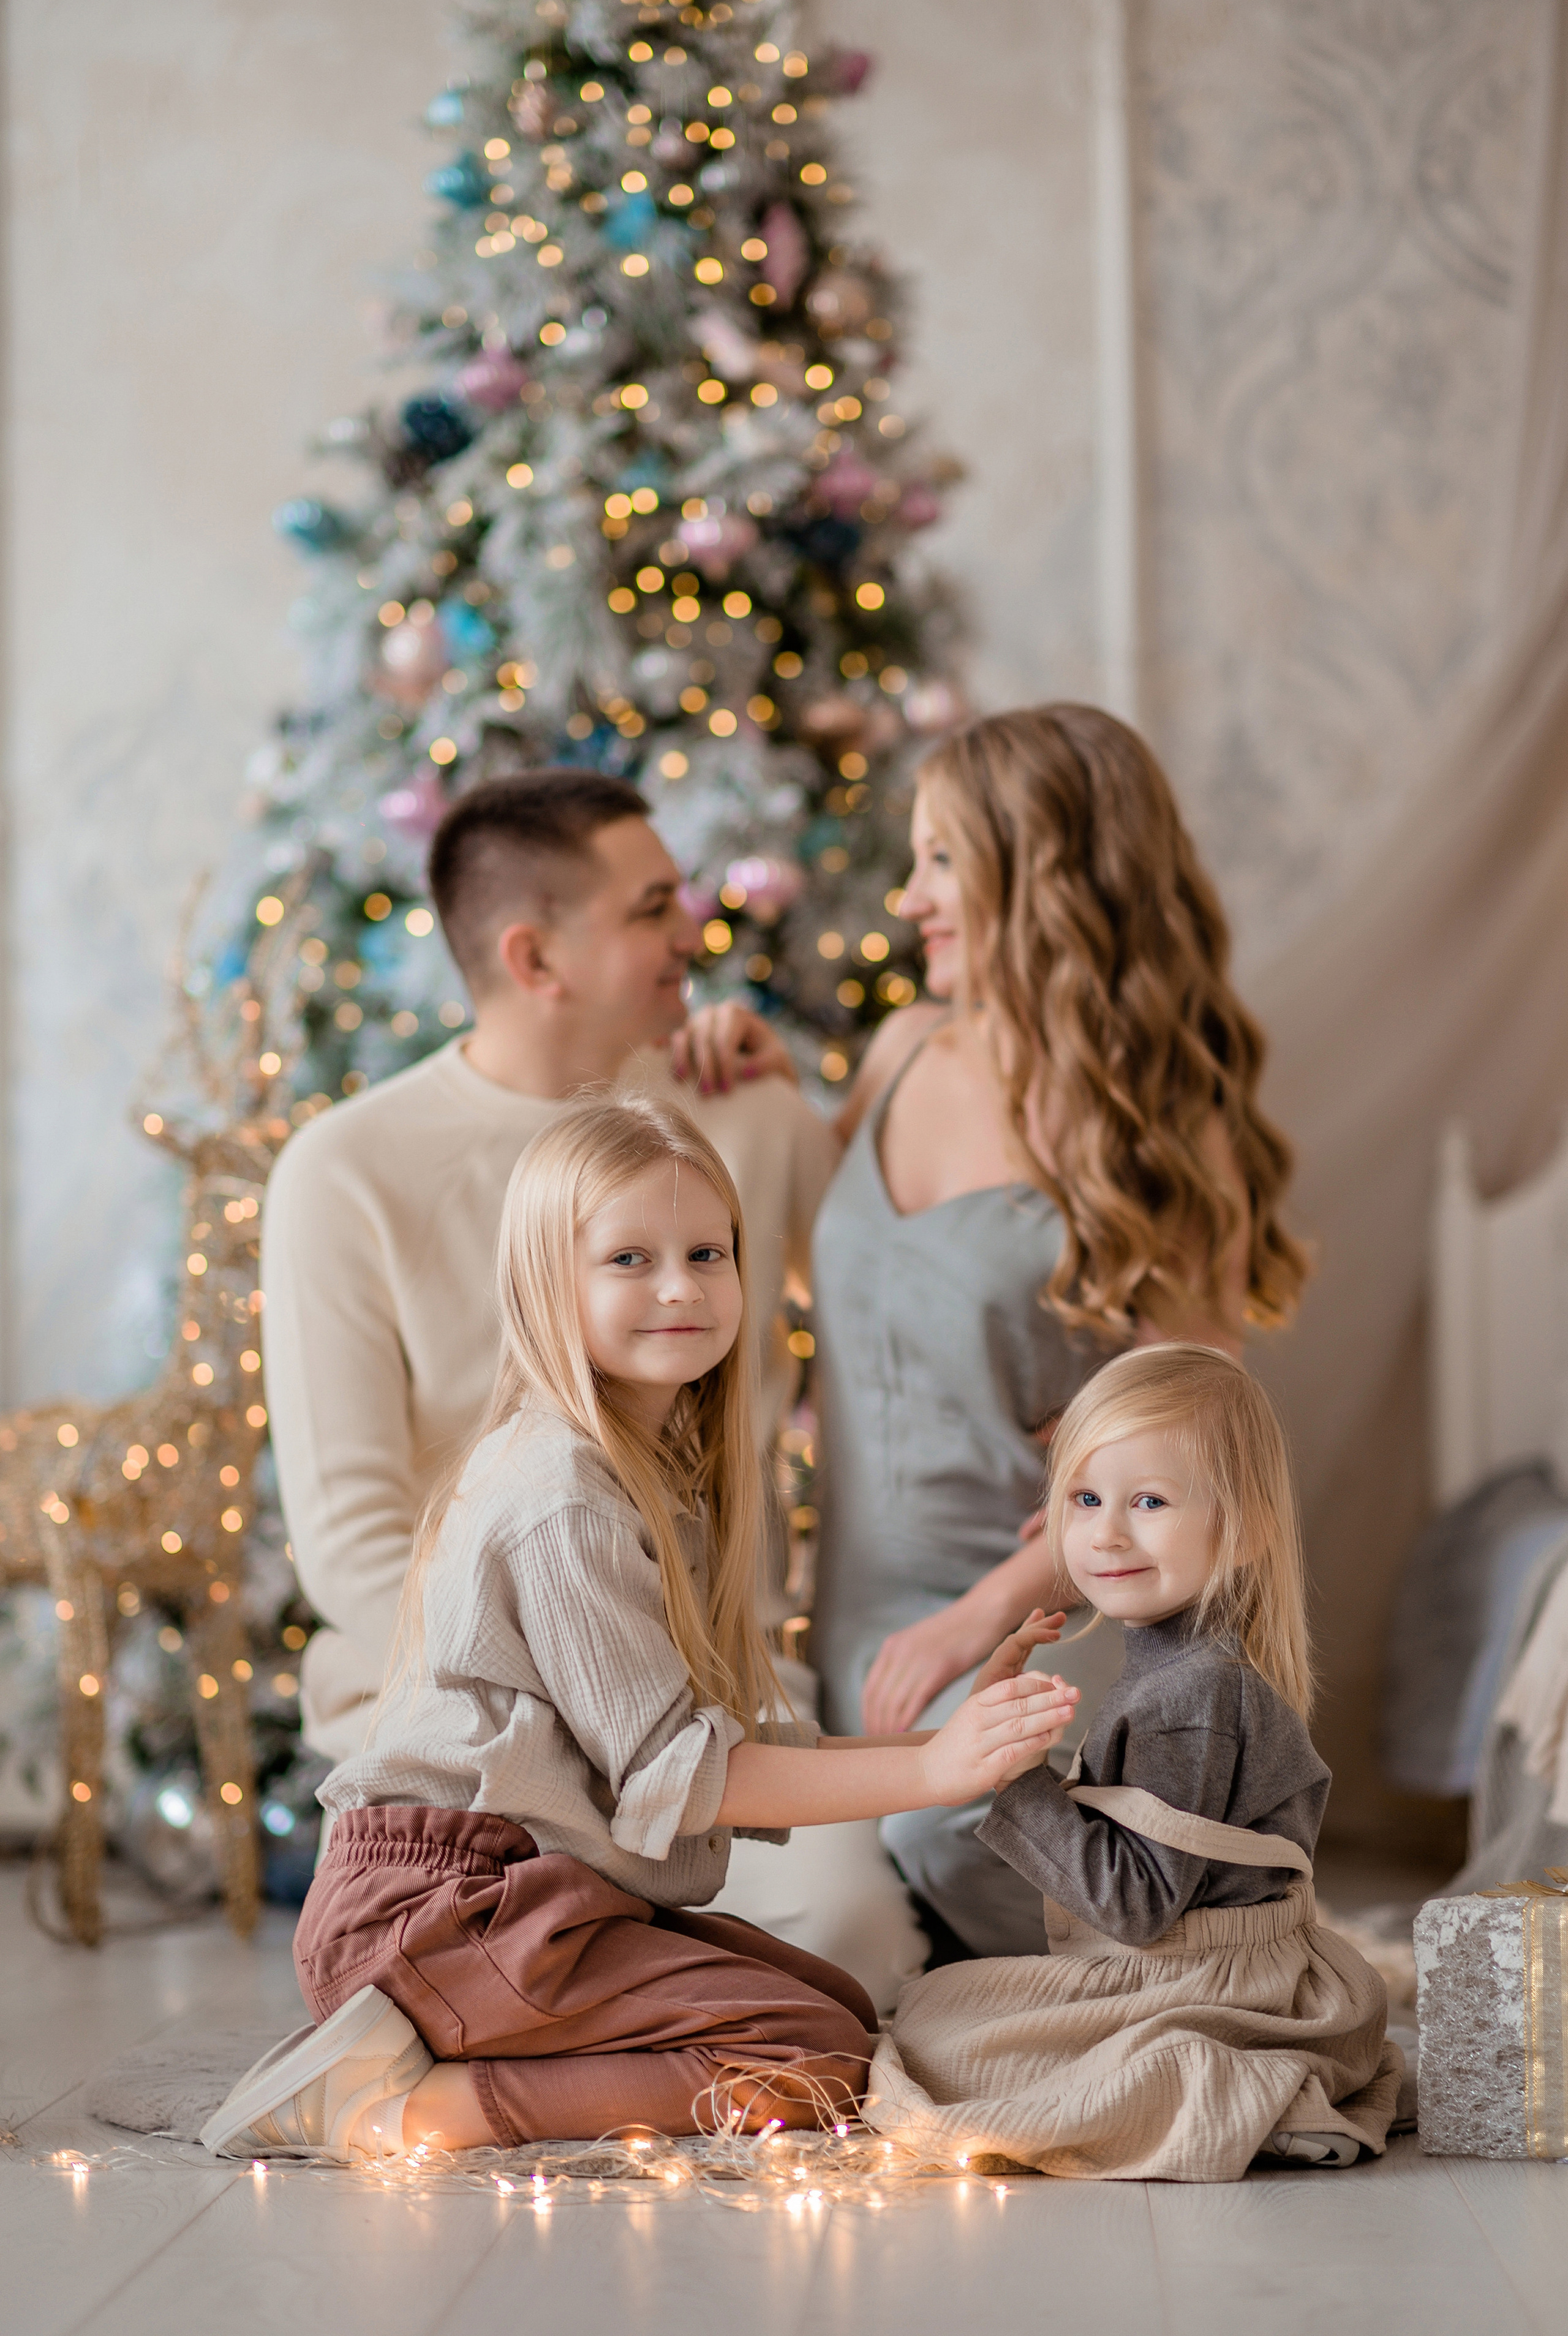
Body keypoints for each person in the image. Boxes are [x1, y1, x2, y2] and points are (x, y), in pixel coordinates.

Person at [202, 1097, 1075, 2160]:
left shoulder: (655, 1478)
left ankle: (444, 2048)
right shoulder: (561, 1491)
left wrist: (943, 1744)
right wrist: (935, 1771)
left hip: (528, 1896)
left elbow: (737, 1746)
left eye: (709, 1251)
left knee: (830, 1998)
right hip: (439, 1903)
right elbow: (685, 1774)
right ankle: (402, 2111)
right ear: (546, 1283)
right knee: (813, 2053)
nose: (681, 1286)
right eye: (630, 1257)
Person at [803, 704, 1311, 1958]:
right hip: (854, 1615)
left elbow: (1194, 1428)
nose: (905, 894)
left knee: (982, 1884)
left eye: (938, 860)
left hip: (1042, 1618)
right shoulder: (898, 1050)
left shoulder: (1157, 1122)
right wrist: (747, 1067)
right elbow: (853, 1277)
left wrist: (981, 1614)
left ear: (1037, 877)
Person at [262, 768, 836, 1766]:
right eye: (653, 909)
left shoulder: (748, 1112)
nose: (692, 933)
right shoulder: (343, 1171)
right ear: (534, 957)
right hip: (458, 1710)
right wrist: (580, 1702)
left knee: (849, 1925)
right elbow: (354, 1540)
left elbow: (901, 1334)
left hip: (722, 1700)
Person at [862, 1344, 1403, 2182]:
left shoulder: (1190, 1698)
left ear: (1248, 1526)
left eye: (1148, 1500)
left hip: (1207, 1988)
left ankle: (1249, 2087)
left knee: (934, 2042)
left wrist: (1015, 1772)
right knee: (934, 2006)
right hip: (1205, 1968)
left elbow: (1137, 1904)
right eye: (1084, 1498)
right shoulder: (1183, 1665)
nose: (1106, 1532)